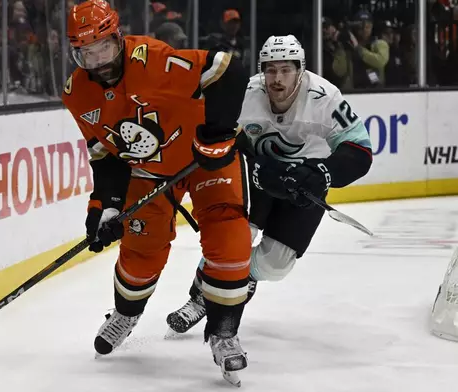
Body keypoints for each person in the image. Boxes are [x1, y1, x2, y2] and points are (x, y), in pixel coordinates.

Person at [62, 0, 252, 385]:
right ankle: (126, 314)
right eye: (86, 53)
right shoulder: (77, 93)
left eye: (104, 48)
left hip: (205, 161)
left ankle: (224, 333)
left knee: (229, 237)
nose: (98, 62)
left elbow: (227, 70)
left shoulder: (152, 60)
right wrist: (107, 206)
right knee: (139, 254)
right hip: (149, 171)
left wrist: (215, 134)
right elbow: (104, 153)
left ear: (118, 38)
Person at [166, 34, 373, 337]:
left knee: (276, 266)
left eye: (286, 70)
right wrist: (249, 160)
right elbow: (220, 136)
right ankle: (200, 296)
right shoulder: (245, 92)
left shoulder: (324, 97)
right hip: (256, 177)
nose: (277, 79)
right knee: (234, 238)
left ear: (300, 69)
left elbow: (361, 150)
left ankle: (242, 274)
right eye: (270, 69)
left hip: (303, 186)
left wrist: (323, 173)